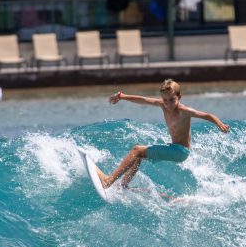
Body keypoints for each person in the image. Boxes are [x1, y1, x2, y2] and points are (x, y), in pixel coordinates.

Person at [95, 79, 230, 189]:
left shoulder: (184, 110)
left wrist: (220, 124)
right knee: (138, 155)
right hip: (174, 147)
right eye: (165, 100)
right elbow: (143, 100)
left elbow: (207, 115)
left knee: (136, 150)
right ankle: (123, 185)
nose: (168, 104)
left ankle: (108, 181)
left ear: (179, 97)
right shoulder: (162, 105)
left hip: (180, 151)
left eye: (172, 100)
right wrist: (122, 96)